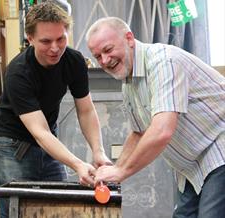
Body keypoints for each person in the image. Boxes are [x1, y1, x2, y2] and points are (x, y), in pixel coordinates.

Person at [86, 17, 225, 218]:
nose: (105, 61)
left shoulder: (163, 62)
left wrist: (122, 172)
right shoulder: (129, 82)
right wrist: (114, 170)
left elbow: (161, 131)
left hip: (218, 151)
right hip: (193, 168)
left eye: (108, 50)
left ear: (129, 38)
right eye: (98, 56)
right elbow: (138, 133)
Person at [0, 2, 112, 217]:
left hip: (48, 143)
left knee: (60, 209)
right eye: (46, 41)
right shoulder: (18, 72)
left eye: (61, 39)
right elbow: (40, 131)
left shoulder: (74, 61)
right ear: (30, 39)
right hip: (12, 147)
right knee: (16, 212)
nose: (55, 48)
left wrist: (98, 151)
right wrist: (77, 164)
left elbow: (86, 110)